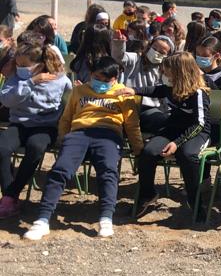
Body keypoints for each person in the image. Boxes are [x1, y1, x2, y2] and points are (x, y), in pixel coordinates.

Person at [23, 57, 142, 241]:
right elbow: (66, 118)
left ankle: (106, 218)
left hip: (108, 134)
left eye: (106, 80)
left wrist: (138, 150)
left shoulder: (123, 93)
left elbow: (132, 125)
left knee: (108, 171)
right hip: (79, 133)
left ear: (115, 78)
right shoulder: (79, 91)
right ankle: (43, 219)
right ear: (91, 74)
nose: (101, 83)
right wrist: (63, 139)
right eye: (97, 77)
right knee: (60, 170)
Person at [130, 52, 212, 217]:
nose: (164, 74)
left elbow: (199, 124)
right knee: (148, 152)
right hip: (172, 129)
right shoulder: (170, 88)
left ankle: (195, 201)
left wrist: (177, 143)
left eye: (167, 70)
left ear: (179, 72)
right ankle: (148, 194)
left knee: (187, 155)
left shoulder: (199, 94)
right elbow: (155, 90)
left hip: (197, 133)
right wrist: (132, 90)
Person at [0, 38, 71, 218]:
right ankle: (10, 195)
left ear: (40, 64)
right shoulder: (17, 77)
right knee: (2, 147)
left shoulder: (60, 79)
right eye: (18, 64)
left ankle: (10, 195)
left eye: (25, 65)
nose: (21, 68)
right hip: (19, 123)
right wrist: (30, 82)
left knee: (35, 147)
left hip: (45, 127)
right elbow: (7, 100)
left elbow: (70, 99)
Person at [113, 31, 174, 133]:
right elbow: (119, 57)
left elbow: (163, 94)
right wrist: (119, 43)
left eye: (162, 52)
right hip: (127, 104)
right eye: (154, 48)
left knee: (162, 122)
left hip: (149, 109)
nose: (156, 52)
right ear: (149, 46)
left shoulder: (166, 71)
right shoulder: (136, 59)